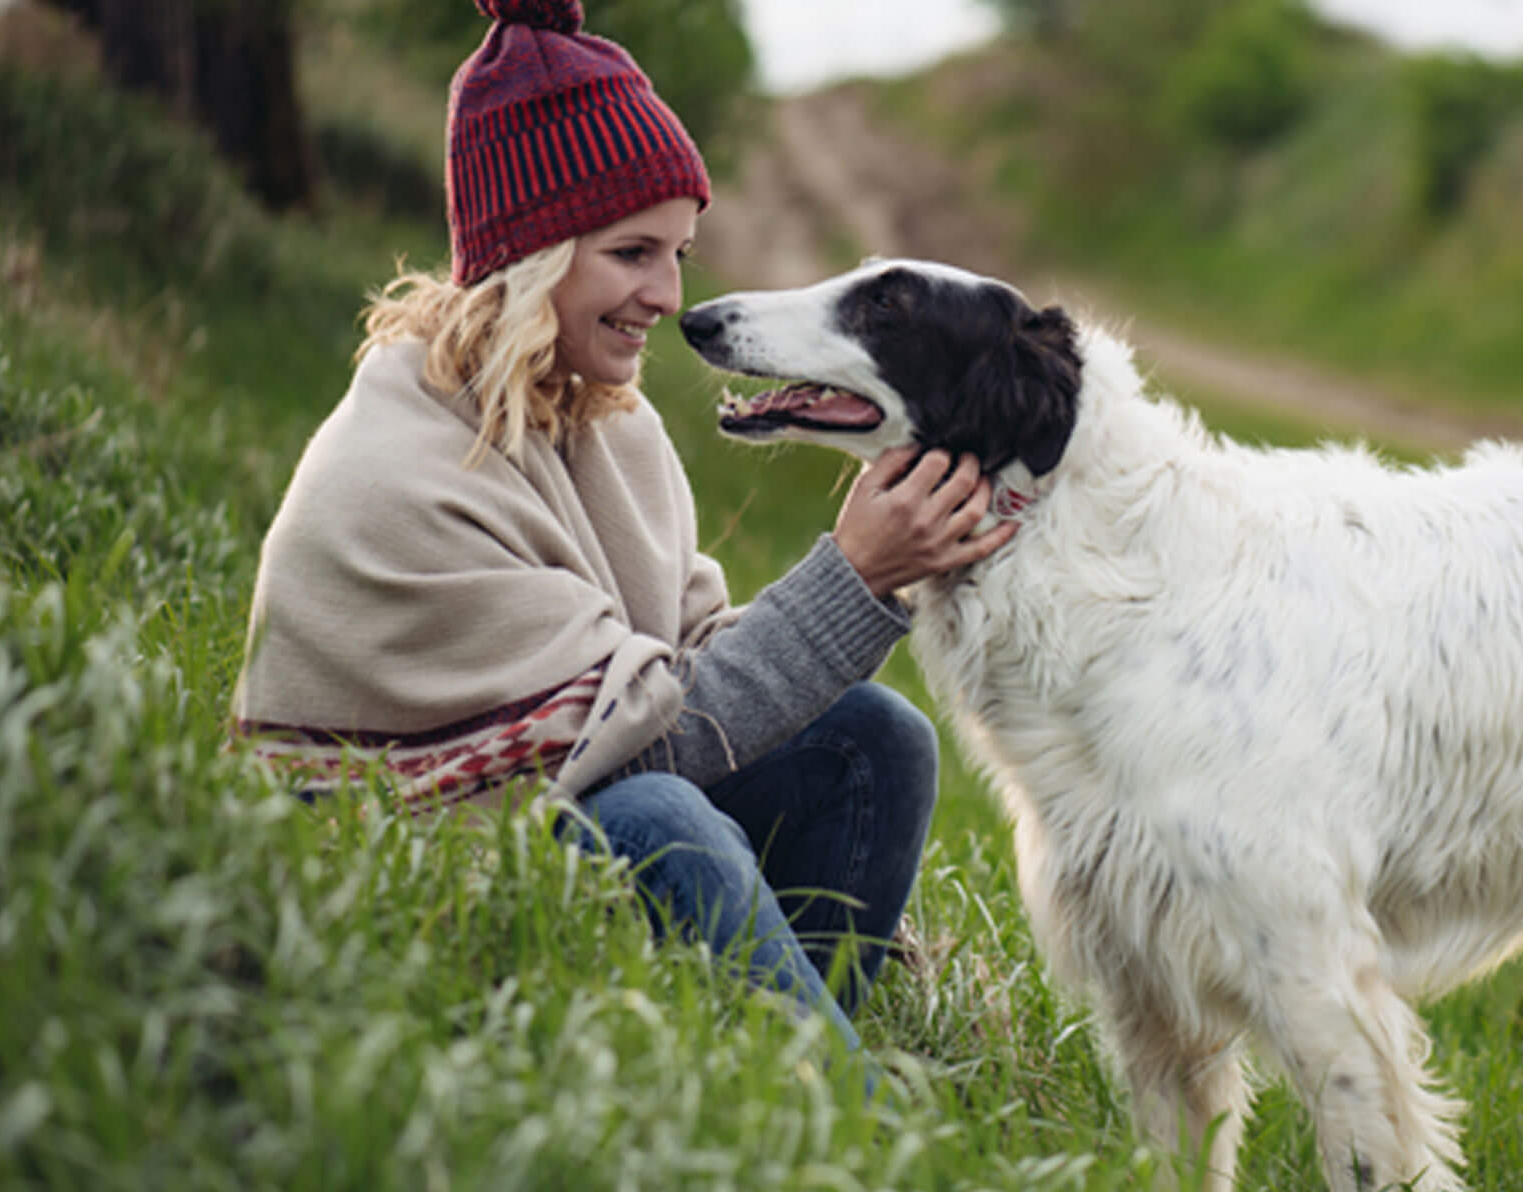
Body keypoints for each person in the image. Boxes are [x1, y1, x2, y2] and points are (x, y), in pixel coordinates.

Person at [230, 0, 1013, 1050]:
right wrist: (855, 576)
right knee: (662, 825)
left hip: (559, 813)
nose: (669, 295)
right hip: (410, 875)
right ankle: (852, 1117)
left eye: (678, 251)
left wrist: (870, 577)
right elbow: (652, 752)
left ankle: (774, 1055)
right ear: (537, 250)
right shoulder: (403, 472)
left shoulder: (610, 423)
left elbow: (684, 667)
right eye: (633, 253)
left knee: (877, 737)